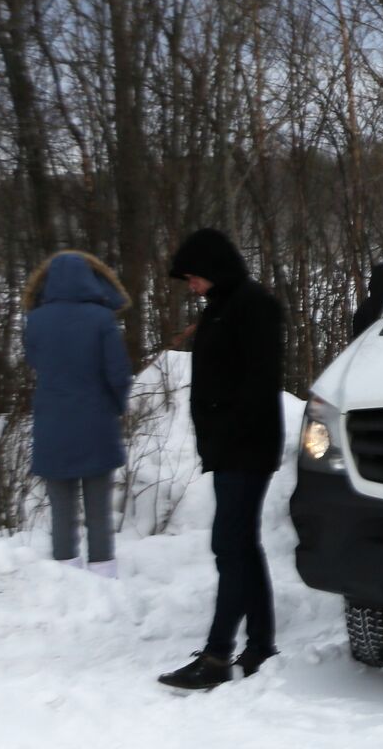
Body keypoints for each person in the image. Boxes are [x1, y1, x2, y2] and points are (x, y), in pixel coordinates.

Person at [158, 229, 284, 691]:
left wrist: (227, 432)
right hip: (228, 449)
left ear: (214, 270)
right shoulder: (221, 308)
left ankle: (217, 655)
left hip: (245, 448)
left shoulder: (253, 307)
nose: (190, 286)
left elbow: (257, 382)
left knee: (229, 546)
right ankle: (260, 646)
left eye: (193, 277)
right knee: (240, 546)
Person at [23, 252, 132, 578]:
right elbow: (118, 373)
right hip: (96, 423)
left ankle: (66, 581)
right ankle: (103, 576)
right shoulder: (102, 319)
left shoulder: (36, 320)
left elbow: (34, 361)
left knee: (61, 511)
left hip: (51, 425)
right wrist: (116, 406)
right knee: (98, 510)